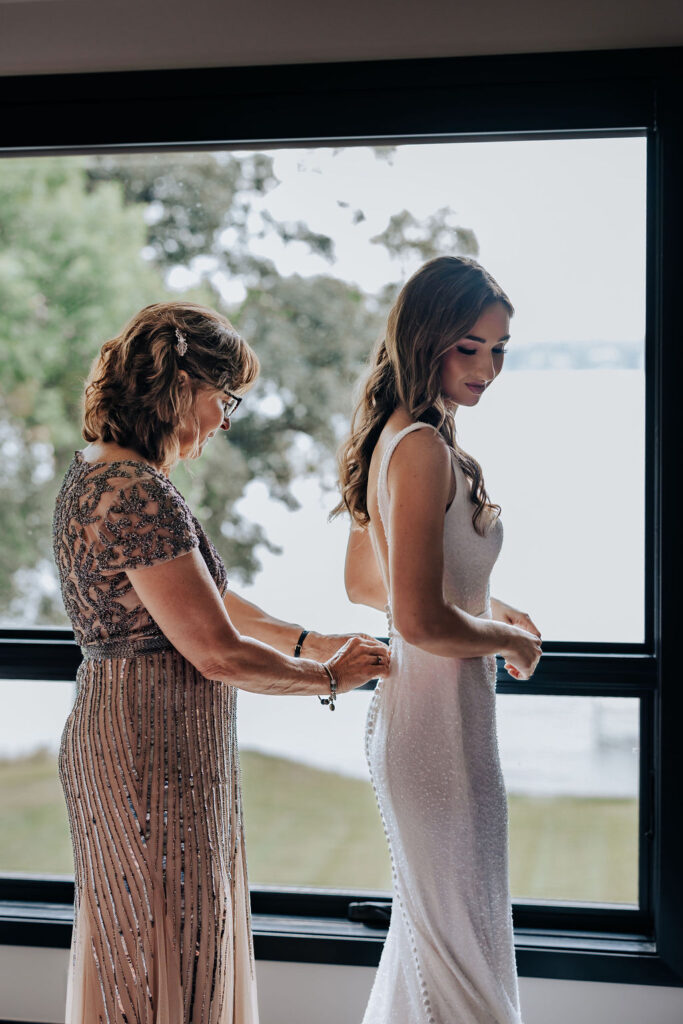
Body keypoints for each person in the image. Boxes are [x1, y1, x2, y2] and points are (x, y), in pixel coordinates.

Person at [52, 301, 390, 1024]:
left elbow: (212, 603)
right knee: (171, 951)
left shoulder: (101, 474)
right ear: (181, 384)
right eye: (224, 397)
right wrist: (330, 680)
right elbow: (215, 649)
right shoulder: (139, 493)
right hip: (151, 747)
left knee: (149, 948)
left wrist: (309, 640)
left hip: (137, 734)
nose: (226, 418)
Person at [335, 257, 542, 1024]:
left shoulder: (399, 437)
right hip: (435, 733)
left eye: (499, 350)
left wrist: (490, 605)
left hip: (435, 724)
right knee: (463, 960)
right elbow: (416, 618)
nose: (487, 367)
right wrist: (506, 642)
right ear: (426, 339)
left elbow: (370, 582)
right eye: (469, 347)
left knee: (444, 948)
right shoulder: (419, 446)